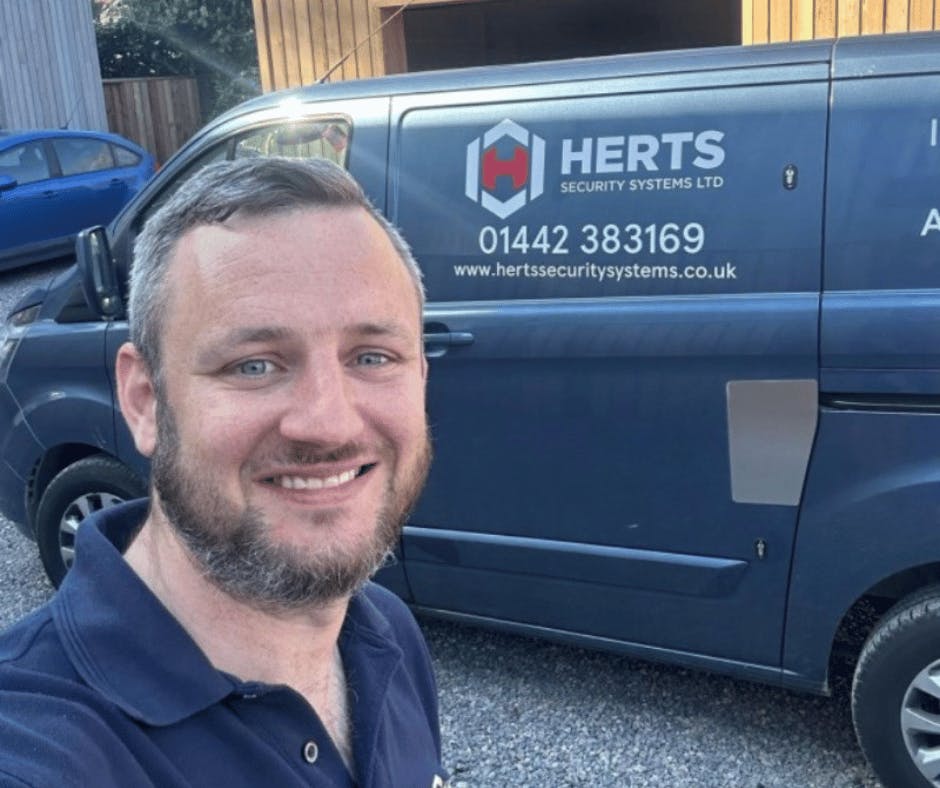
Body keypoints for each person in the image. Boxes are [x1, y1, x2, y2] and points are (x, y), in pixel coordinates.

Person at [0, 157, 450, 787]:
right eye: (254, 365)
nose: (329, 423)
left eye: (372, 357)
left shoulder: (384, 631)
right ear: (144, 399)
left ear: (421, 375)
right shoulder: (42, 751)